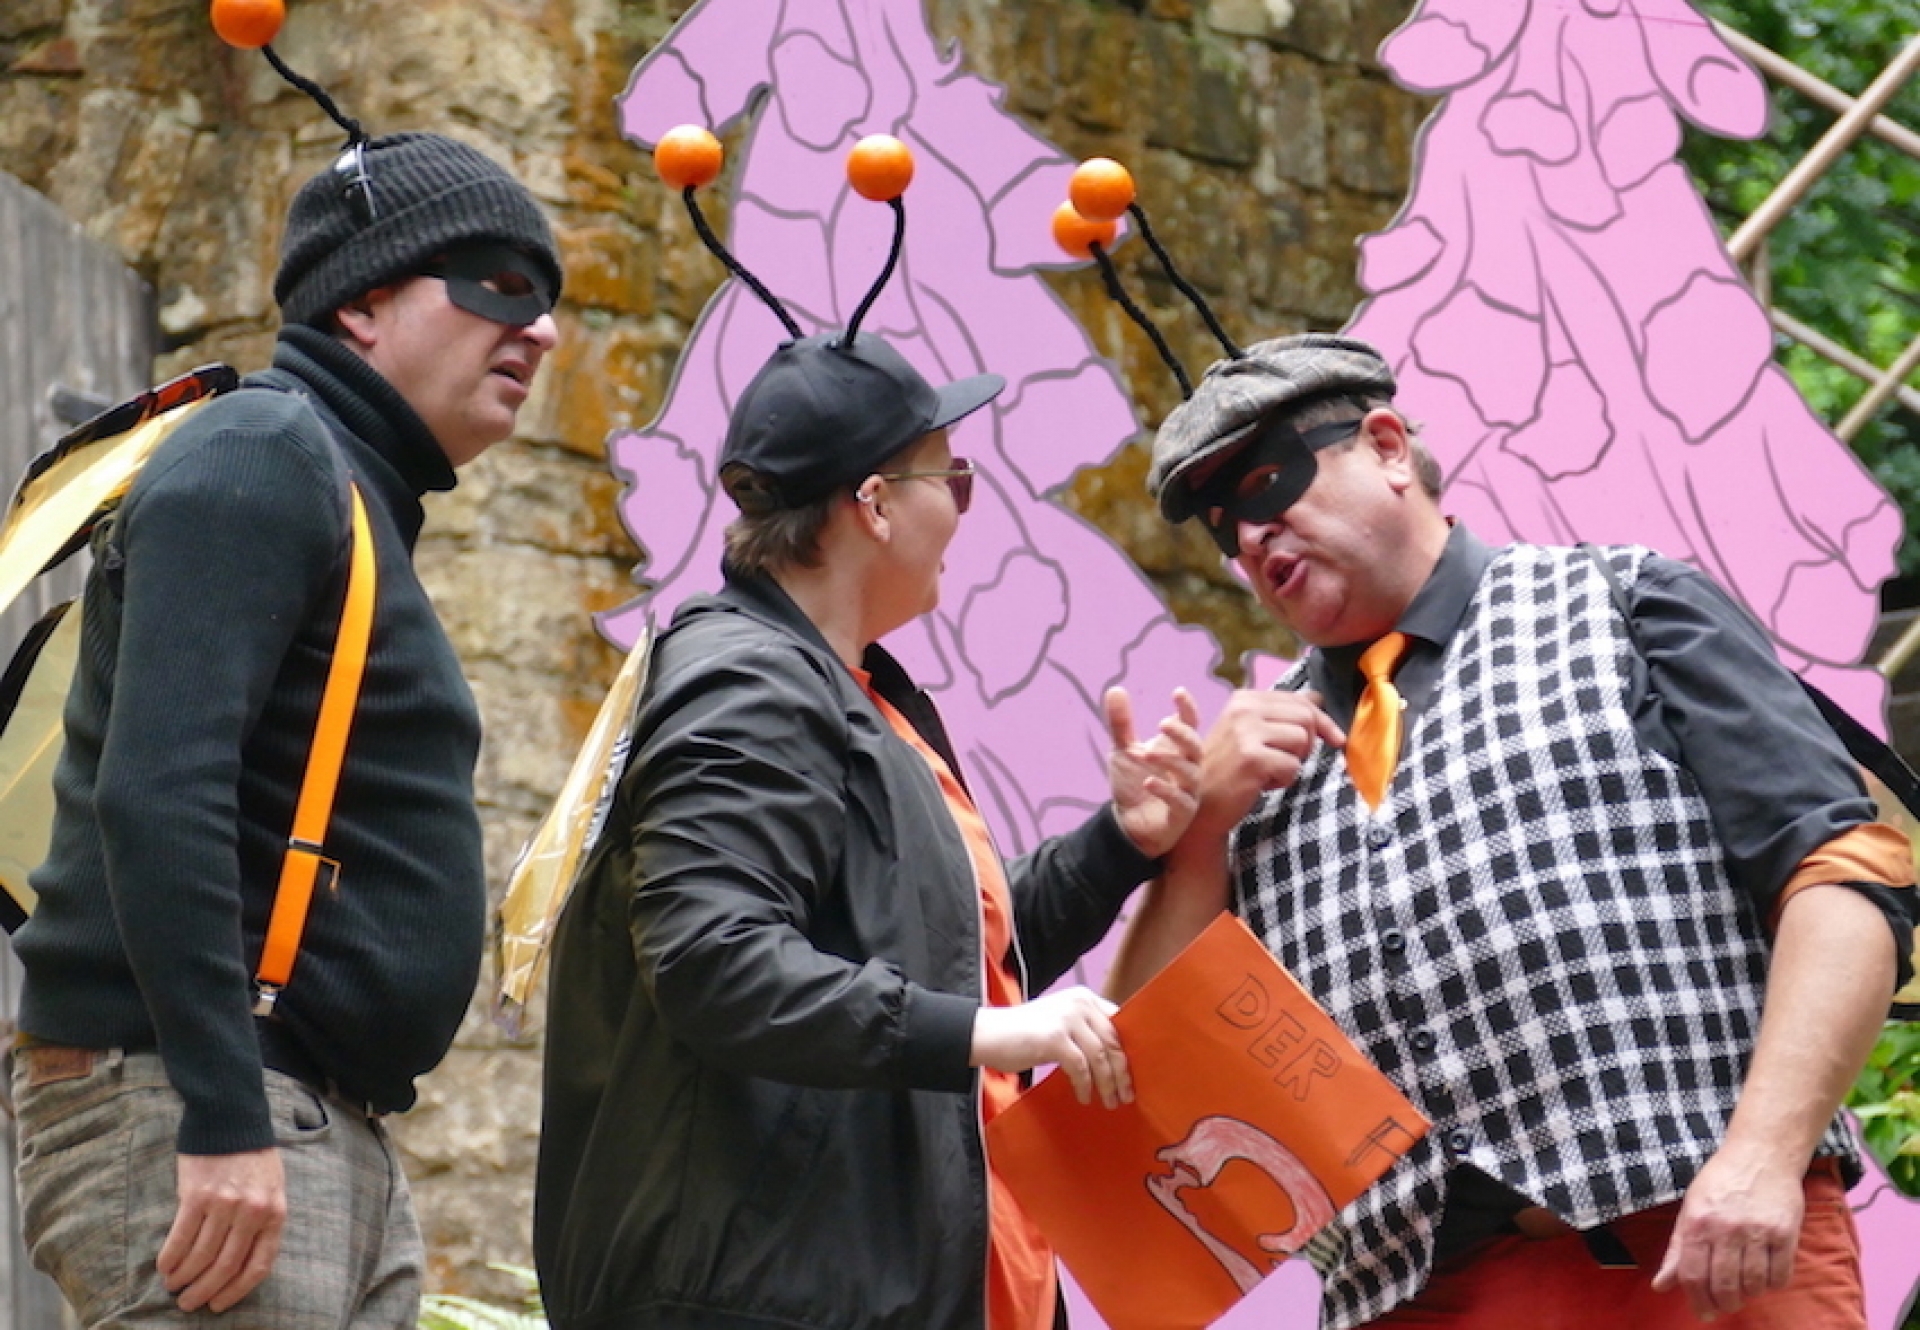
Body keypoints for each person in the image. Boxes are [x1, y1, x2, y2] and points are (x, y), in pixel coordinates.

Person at [1109, 332, 1919, 1330]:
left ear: (1387, 446)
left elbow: (1845, 877)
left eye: (1267, 482)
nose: (1250, 534)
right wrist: (1197, 837)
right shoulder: (1254, 765)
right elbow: (1147, 1073)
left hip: (1705, 1252)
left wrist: (1763, 1153)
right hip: (1420, 1296)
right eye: (1223, 526)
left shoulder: (1624, 603)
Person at [533, 329, 1203, 1330]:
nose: (964, 509)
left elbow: (939, 948)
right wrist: (987, 1033)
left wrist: (1122, 843)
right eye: (954, 480)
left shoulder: (852, 691)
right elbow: (712, 959)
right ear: (877, 505)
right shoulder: (748, 682)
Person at [9, 131, 563, 1327]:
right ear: (362, 303)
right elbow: (160, 792)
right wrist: (222, 1111)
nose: (544, 329)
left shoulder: (342, 484)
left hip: (305, 1116)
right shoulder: (264, 453)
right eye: (501, 286)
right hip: (210, 1108)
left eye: (550, 300)